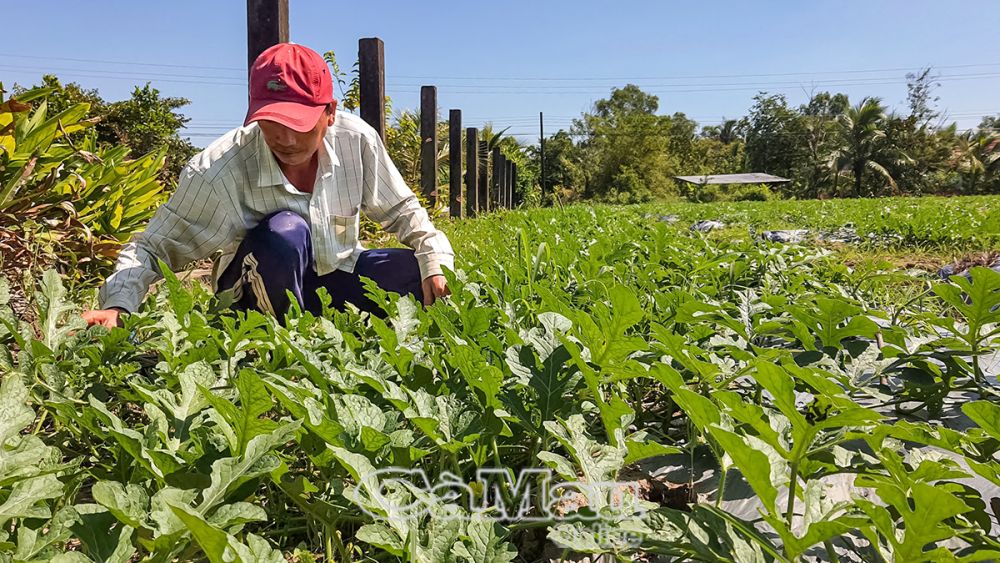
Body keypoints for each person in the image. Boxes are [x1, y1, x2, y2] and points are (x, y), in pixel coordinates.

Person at [82, 43, 453, 329]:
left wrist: (433, 260)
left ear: (330, 112)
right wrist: (118, 304)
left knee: (410, 270)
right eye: (271, 121)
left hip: (329, 277)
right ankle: (274, 338)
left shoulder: (357, 141)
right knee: (285, 232)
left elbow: (404, 211)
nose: (285, 138)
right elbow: (155, 245)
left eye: (300, 123)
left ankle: (328, 328)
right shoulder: (219, 168)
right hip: (256, 287)